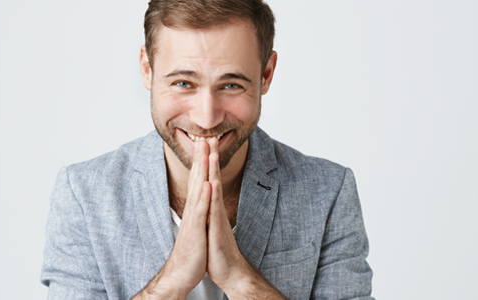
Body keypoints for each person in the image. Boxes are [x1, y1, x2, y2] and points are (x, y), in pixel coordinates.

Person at [40, 0, 374, 299]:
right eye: (183, 83)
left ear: (266, 75)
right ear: (147, 68)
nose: (207, 117)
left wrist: (240, 279)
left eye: (231, 85)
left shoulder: (328, 191)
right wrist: (172, 280)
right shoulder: (83, 195)